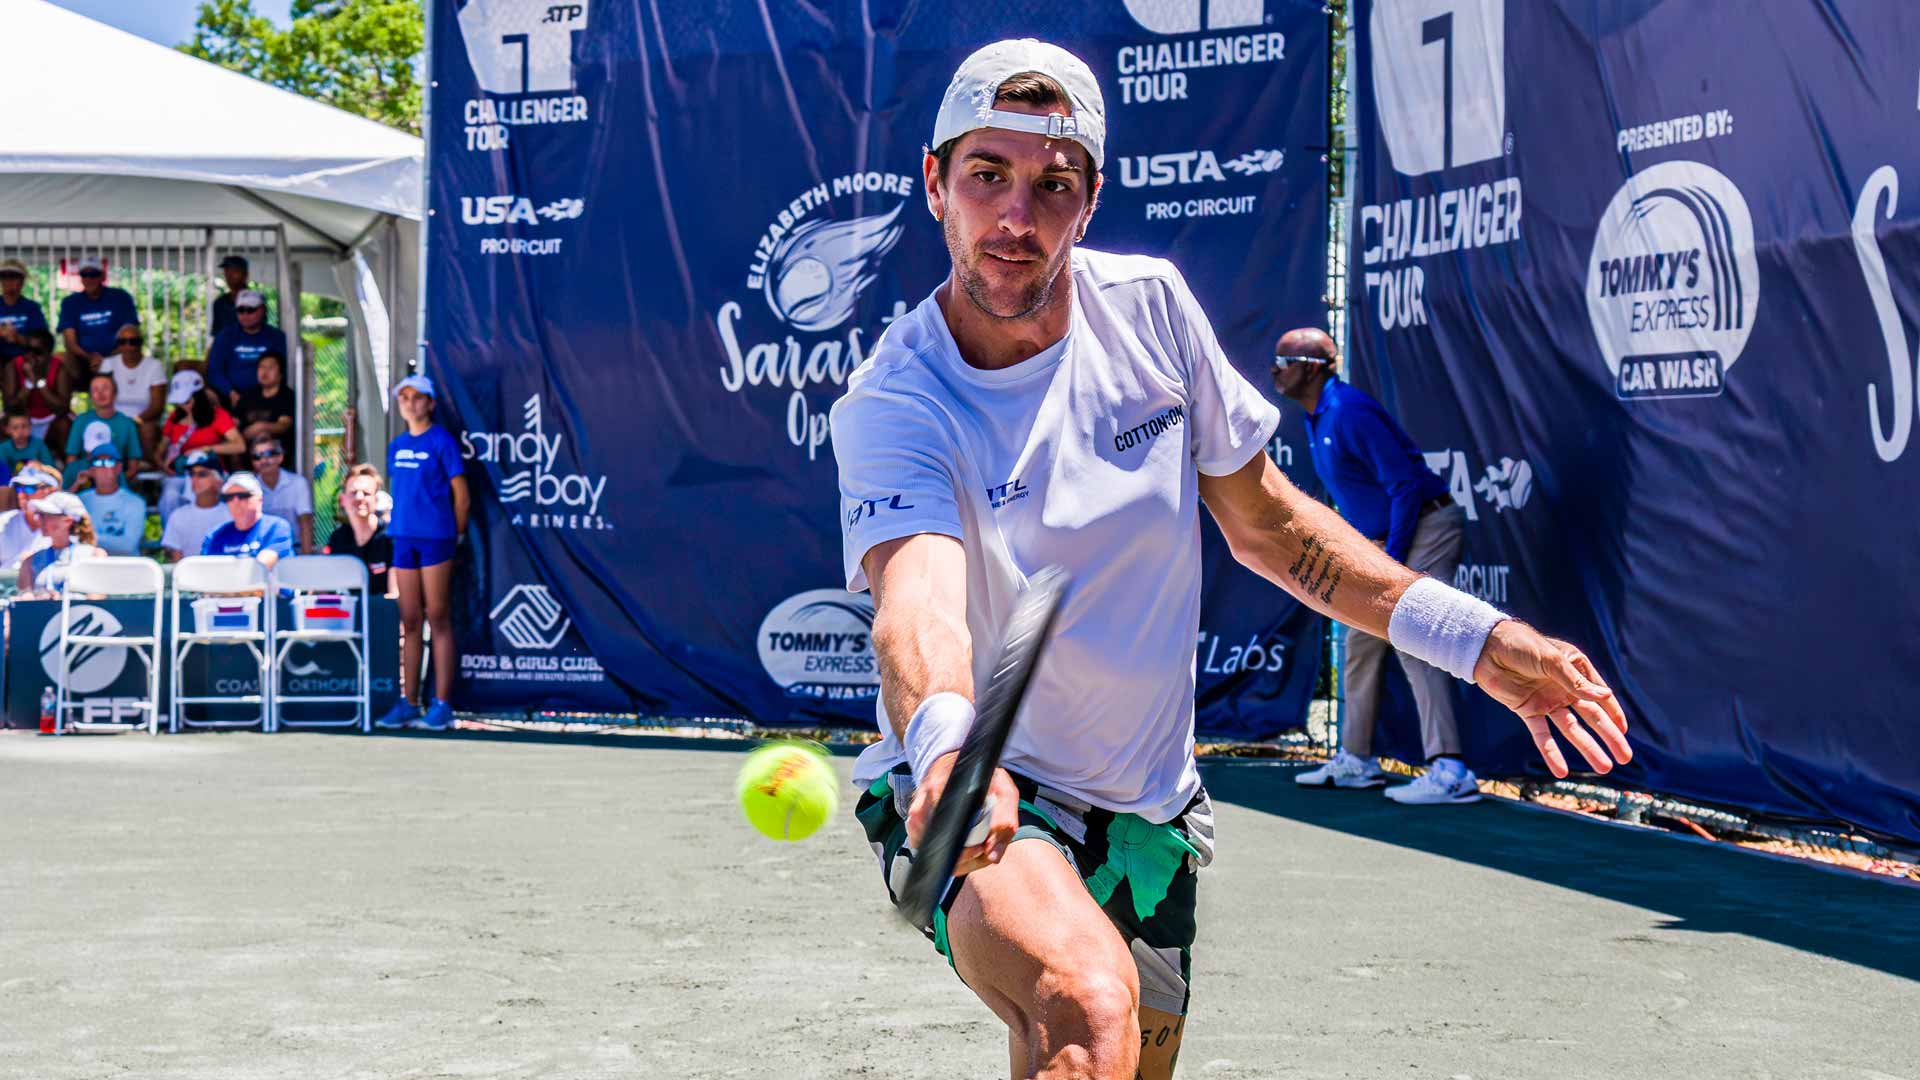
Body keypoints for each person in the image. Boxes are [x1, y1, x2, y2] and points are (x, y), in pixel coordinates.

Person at [830, 41, 1631, 1080]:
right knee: (1084, 1003)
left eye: (1052, 185)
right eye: (987, 175)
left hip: (1149, 809)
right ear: (936, 183)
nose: (1017, 219)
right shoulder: (896, 400)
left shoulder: (1153, 309)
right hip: (971, 781)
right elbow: (919, 606)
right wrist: (946, 750)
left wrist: (1475, 641)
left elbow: (1275, 530)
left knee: (1083, 1051)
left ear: (1091, 199)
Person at [1274, 329, 1484, 805]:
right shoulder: (1318, 415)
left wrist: (1392, 559)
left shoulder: (1349, 412)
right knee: (1359, 642)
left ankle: (1451, 771)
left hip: (1425, 527)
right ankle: (1357, 760)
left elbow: (1406, 485)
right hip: (1380, 540)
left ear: (1310, 367)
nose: (1274, 369)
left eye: (1283, 360)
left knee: (1416, 640)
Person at [375, 374, 468, 732]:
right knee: (410, 620)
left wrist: (455, 533)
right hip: (403, 539)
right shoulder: (397, 445)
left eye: (418, 398)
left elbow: (461, 494)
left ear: (430, 403)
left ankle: (442, 705)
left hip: (436, 540)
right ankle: (408, 702)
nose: (410, 403)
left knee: (439, 616)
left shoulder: (442, 441)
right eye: (405, 397)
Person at [56, 259, 138, 380]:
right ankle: (60, 398)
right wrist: (91, 357)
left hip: (117, 356)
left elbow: (131, 334)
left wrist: (106, 360)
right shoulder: (70, 302)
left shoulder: (120, 297)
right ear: (81, 277)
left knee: (132, 351)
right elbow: (70, 343)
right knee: (60, 359)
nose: (89, 279)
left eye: (93, 274)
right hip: (83, 360)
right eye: (85, 275)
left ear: (102, 276)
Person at [204, 290, 287, 405]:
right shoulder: (226, 335)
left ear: (262, 309)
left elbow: (283, 371)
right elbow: (214, 371)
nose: (245, 315)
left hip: (268, 398)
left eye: (250, 310)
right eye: (240, 310)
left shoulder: (276, 337)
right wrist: (230, 392)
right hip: (230, 398)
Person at [324, 463, 394, 597]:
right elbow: (325, 589)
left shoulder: (390, 538)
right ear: (342, 500)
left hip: (381, 615)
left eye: (366, 493)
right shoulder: (337, 539)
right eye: (354, 493)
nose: (360, 497)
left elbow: (395, 595)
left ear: (376, 499)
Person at [100, 324, 167, 463]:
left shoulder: (154, 366)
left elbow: (157, 406)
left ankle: (150, 473)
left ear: (141, 343)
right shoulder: (108, 364)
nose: (128, 346)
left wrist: (132, 422)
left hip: (143, 420)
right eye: (122, 342)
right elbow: (101, 397)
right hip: (113, 418)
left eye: (133, 342)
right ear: (117, 345)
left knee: (148, 430)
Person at [201, 471, 294, 567]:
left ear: (260, 499)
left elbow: (262, 566)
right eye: (229, 497)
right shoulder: (215, 535)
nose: (235, 501)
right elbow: (207, 571)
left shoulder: (276, 528)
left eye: (243, 496)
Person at [159, 370, 244, 472]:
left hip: (212, 474)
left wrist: (205, 449)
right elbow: (160, 451)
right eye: (178, 402)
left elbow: (240, 446)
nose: (182, 406)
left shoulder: (218, 415)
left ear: (199, 396)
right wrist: (164, 465)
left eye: (186, 401)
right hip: (180, 475)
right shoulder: (174, 417)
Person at [18, 491, 102, 595]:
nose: (39, 520)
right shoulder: (29, 561)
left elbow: (97, 600)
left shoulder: (94, 556)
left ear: (68, 521)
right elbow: (23, 603)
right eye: (39, 515)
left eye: (46, 515)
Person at [67, 373, 146, 477]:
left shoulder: (127, 424)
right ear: (90, 396)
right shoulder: (81, 421)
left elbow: (133, 467)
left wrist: (113, 485)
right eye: (95, 390)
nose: (100, 393)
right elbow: (71, 461)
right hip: (84, 480)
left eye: (105, 388)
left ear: (115, 393)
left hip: (116, 481)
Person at [160, 450, 231, 562]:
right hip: (188, 578)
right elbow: (176, 563)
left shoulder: (232, 515)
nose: (194, 479)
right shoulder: (178, 516)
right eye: (192, 474)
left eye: (202, 474)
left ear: (219, 481)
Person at [5, 328, 71, 447]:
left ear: (48, 352)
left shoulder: (60, 369)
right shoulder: (13, 366)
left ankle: (66, 463)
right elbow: (11, 406)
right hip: (24, 421)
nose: (31, 356)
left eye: (37, 352)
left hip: (50, 421)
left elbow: (62, 407)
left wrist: (39, 381)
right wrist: (29, 384)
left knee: (64, 425)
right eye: (27, 350)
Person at [77, 446, 148, 557]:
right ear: (91, 470)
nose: (103, 467)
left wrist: (88, 538)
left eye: (109, 462)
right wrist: (75, 485)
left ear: (118, 468)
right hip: (90, 567)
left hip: (127, 568)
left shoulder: (136, 503)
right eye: (98, 462)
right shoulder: (79, 500)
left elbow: (128, 546)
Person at [248, 435, 313, 553]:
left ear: (280, 457)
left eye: (268, 454)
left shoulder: (298, 483)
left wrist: (306, 558)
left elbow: (305, 522)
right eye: (257, 457)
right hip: (259, 551)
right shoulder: (249, 488)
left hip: (293, 549)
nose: (263, 461)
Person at [235, 351, 297, 450]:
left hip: (275, 451)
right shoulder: (248, 395)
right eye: (261, 367)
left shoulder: (287, 395)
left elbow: (284, 425)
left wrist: (262, 427)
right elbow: (235, 421)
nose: (265, 372)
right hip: (247, 451)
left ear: (281, 374)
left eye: (270, 368)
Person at [0, 466, 58, 568]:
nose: (21, 495)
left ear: (50, 491)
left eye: (29, 488)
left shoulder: (64, 523)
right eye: (18, 489)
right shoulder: (3, 521)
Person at [0, 258, 48, 362]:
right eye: (4, 276)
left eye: (13, 276)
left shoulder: (32, 308)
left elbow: (43, 343)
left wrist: (17, 338)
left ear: (22, 280)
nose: (8, 280)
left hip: (26, 360)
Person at [0, 408, 55, 476]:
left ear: (30, 427)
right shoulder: (3, 448)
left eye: (24, 426)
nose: (20, 431)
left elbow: (51, 469)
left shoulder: (39, 445)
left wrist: (40, 467)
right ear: (7, 430)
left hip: (38, 482)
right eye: (15, 427)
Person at [208, 254, 252, 337]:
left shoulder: (256, 302)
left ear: (245, 275)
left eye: (234, 272)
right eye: (226, 272)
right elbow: (217, 334)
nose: (229, 276)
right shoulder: (219, 303)